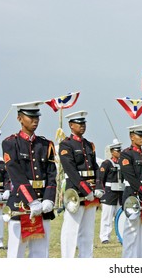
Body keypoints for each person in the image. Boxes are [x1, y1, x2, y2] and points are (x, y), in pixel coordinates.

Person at [2, 101, 57, 258]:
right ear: (19, 118)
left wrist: (49, 200)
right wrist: (32, 201)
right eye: (30, 117)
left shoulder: (46, 145)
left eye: (37, 117)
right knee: (16, 253)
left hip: (43, 205)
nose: (35, 120)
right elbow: (16, 175)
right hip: (21, 204)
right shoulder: (11, 143)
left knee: (41, 253)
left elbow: (52, 174)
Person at [59, 110, 103, 258]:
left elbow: (95, 167)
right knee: (71, 230)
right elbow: (71, 170)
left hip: (91, 192)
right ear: (71, 125)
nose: (82, 126)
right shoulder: (66, 145)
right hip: (76, 193)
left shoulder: (89, 145)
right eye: (79, 123)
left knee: (88, 230)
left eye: (84, 123)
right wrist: (85, 190)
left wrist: (98, 186)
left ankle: (86, 258)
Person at [119, 124, 142, 258]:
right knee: (131, 229)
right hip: (133, 194)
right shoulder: (126, 154)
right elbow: (130, 177)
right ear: (131, 136)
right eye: (139, 135)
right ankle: (128, 259)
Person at [98, 139, 124, 244]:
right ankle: (105, 236)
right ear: (112, 151)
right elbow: (101, 178)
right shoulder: (107, 164)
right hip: (109, 193)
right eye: (117, 151)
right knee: (107, 216)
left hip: (120, 193)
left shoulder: (122, 163)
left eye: (120, 150)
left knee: (120, 216)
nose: (119, 152)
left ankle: (120, 235)